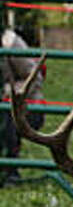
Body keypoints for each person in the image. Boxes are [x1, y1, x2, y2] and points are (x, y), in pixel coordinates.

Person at [1, 26, 45, 184]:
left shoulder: (10, 42)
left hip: (22, 107)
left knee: (6, 119)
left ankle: (10, 171)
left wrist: (8, 91)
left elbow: (34, 77)